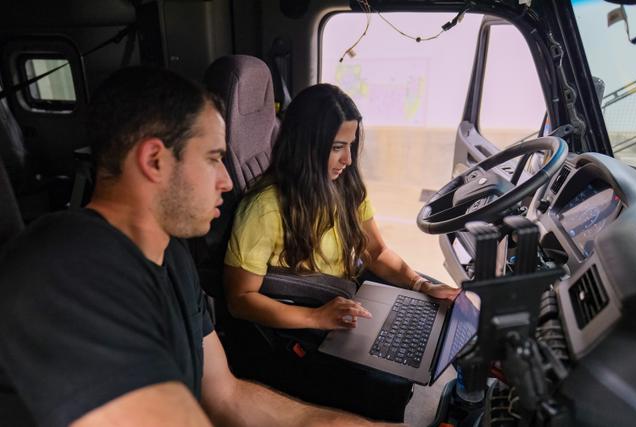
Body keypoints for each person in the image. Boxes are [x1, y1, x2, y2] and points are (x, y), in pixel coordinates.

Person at [0, 67, 398, 427]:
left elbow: (227, 397)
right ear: (154, 160)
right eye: (213, 159)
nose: (227, 181)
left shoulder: (170, 257)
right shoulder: (64, 269)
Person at [223, 83, 459, 420]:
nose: (348, 160)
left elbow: (376, 252)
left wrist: (421, 285)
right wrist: (316, 317)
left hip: (342, 302)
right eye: (337, 148)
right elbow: (240, 299)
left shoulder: (347, 189)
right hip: (298, 326)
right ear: (307, 146)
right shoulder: (265, 209)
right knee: (389, 382)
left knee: (428, 326)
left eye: (350, 146)